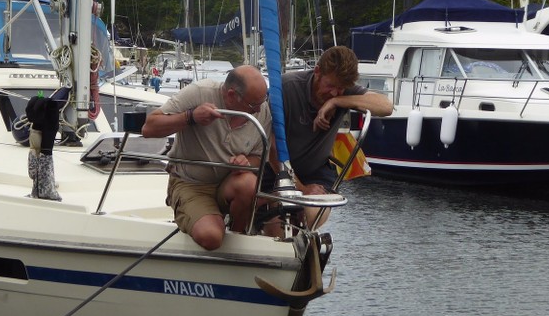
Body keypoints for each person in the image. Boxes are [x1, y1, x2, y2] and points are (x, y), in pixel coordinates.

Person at [142, 65, 272, 250]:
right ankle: (214, 231)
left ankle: (238, 237)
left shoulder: (262, 109)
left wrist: (246, 162)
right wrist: (191, 117)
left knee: (250, 184)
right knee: (211, 237)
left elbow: (259, 158)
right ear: (231, 95)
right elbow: (149, 128)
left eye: (262, 101)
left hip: (229, 182)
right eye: (253, 105)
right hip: (192, 184)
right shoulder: (199, 92)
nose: (259, 109)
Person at [280, 46, 392, 225]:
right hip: (277, 169)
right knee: (275, 225)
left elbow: (386, 106)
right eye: (330, 86)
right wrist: (300, 188)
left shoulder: (341, 94)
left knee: (314, 213)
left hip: (314, 172)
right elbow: (271, 145)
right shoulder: (287, 88)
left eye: (340, 89)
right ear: (317, 71)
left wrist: (337, 101)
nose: (334, 92)